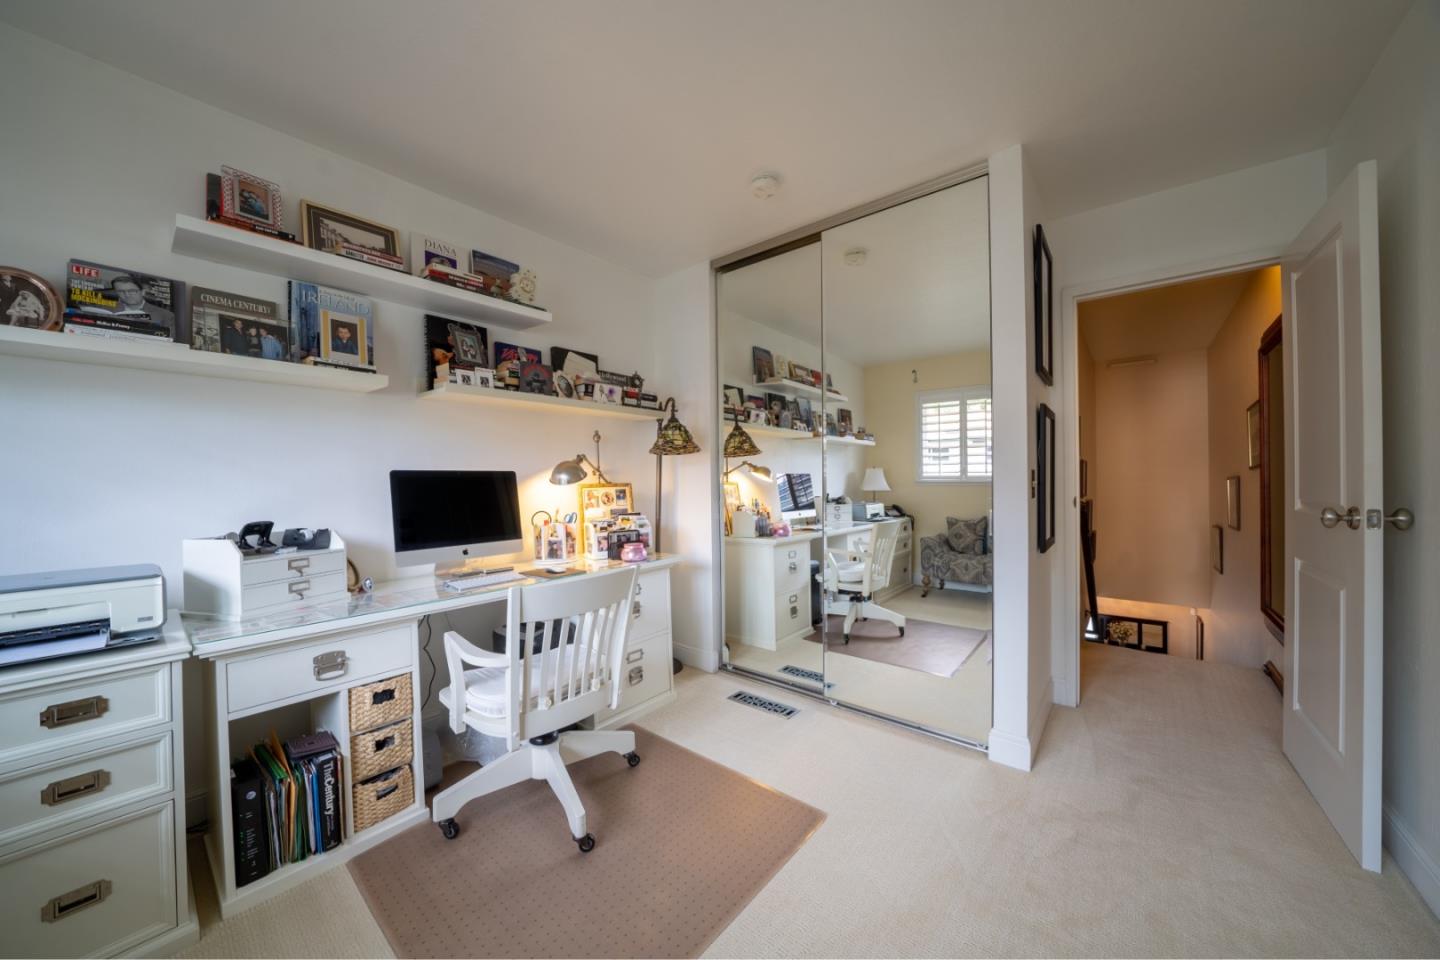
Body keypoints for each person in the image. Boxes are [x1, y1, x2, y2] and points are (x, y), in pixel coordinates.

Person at [108, 274, 175, 333]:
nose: (127, 295)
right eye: (121, 291)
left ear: (143, 292)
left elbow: (171, 341)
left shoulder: (166, 315)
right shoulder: (108, 311)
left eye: (132, 291)